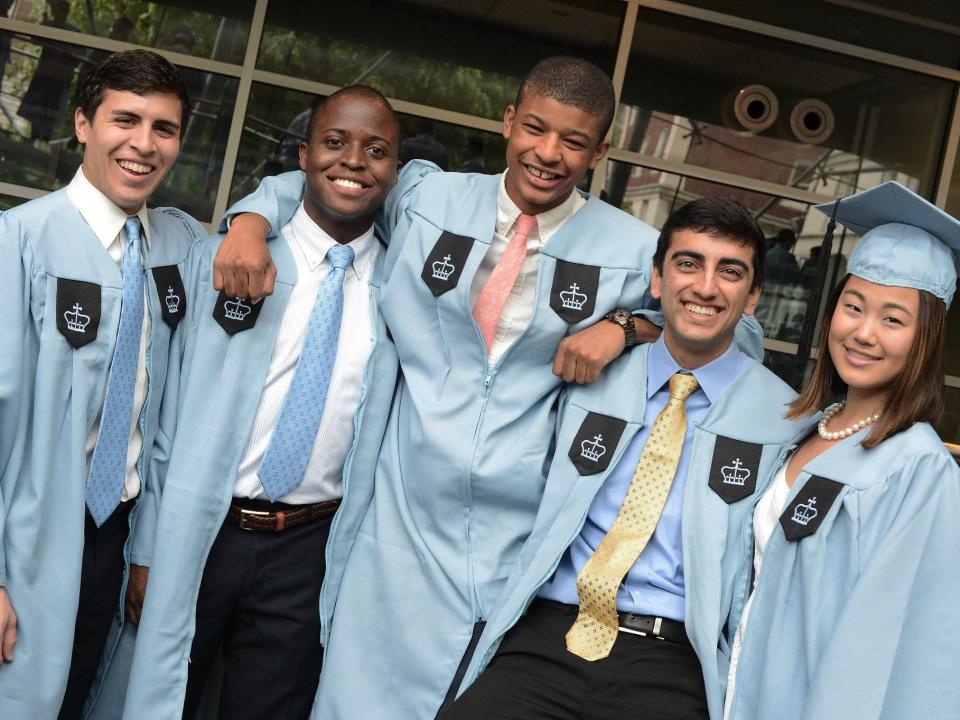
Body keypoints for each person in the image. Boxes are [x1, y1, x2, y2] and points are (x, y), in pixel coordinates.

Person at [216, 56, 764, 719]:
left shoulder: (630, 247)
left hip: (517, 533)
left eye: (573, 141)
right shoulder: (430, 198)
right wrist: (248, 220)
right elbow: (327, 183)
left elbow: (726, 331)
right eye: (535, 129)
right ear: (508, 122)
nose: (548, 153)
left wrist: (623, 327)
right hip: (400, 514)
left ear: (600, 151)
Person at [440, 198, 806, 720]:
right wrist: (625, 325)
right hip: (550, 633)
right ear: (656, 280)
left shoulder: (783, 420)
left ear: (753, 297)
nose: (705, 286)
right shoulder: (588, 376)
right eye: (688, 263)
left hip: (674, 661)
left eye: (730, 272)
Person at [120, 85, 401, 720]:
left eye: (376, 150)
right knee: (163, 699)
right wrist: (146, 549)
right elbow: (163, 417)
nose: (353, 161)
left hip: (311, 547)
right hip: (206, 530)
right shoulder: (228, 258)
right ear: (301, 155)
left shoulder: (401, 282)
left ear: (396, 171)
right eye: (334, 143)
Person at [0, 50, 204, 720]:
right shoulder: (20, 243)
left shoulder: (179, 250)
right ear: (83, 123)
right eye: (126, 119)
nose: (144, 145)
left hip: (114, 539)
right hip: (28, 533)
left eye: (165, 128)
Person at [723, 181, 960, 720]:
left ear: (925, 339)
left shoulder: (919, 470)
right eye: (853, 307)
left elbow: (892, 646)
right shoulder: (804, 430)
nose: (864, 333)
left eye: (894, 319)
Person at [18, 0, 82, 142]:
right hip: (45, 75)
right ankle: (32, 138)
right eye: (58, 10)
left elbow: (80, 54)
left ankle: (45, 140)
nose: (60, 14)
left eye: (63, 10)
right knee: (37, 108)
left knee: (52, 112)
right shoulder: (49, 25)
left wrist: (70, 53)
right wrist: (43, 26)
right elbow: (34, 39)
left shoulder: (74, 32)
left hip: (60, 79)